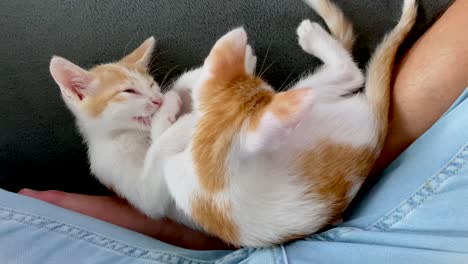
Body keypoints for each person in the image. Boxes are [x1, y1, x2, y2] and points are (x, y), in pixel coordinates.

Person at [2, 0, 468, 262]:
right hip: (248, 207)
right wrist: (169, 124)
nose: (153, 100)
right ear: (78, 94)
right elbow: (150, 197)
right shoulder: (112, 155)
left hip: (251, 210)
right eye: (133, 94)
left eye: (149, 87)